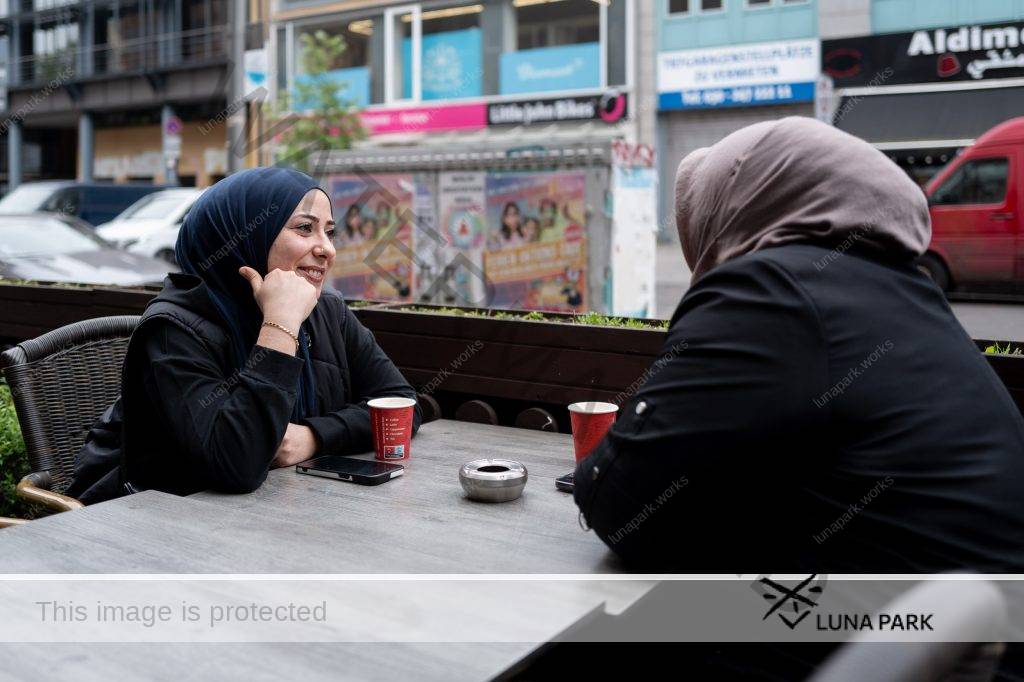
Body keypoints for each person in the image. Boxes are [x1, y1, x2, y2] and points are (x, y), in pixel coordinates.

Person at [574, 117, 1024, 573]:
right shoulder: (909, 291)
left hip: (900, 632)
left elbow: (621, 502)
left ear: (739, 202)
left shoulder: (768, 289)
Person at [113, 168, 421, 497]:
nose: (327, 250)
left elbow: (402, 405)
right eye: (305, 228)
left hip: (292, 516)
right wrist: (281, 325)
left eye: (329, 232)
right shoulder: (172, 331)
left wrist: (312, 437)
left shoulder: (326, 311)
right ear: (245, 236)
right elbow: (237, 466)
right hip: (173, 529)